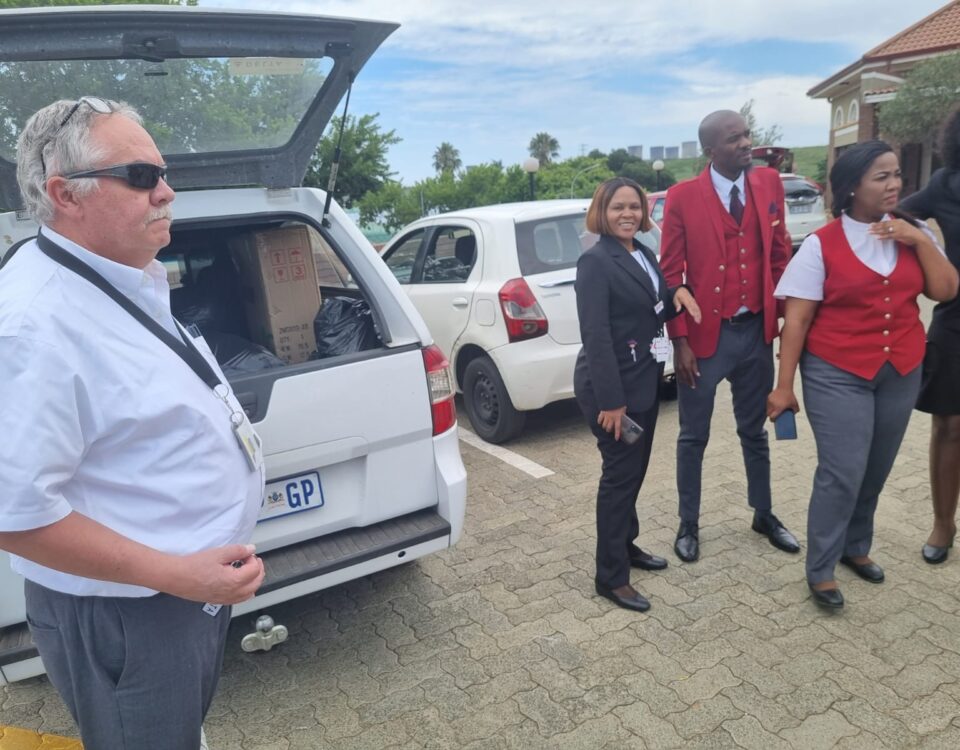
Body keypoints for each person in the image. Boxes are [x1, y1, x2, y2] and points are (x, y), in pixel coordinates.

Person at [0, 97, 266, 748]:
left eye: (164, 172)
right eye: (142, 177)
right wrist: (179, 576)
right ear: (66, 194)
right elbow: (13, 516)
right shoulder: (32, 326)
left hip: (172, 596)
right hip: (129, 609)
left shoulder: (118, 275)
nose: (167, 192)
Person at [767, 140, 958, 609]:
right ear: (852, 187)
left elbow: (946, 289)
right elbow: (797, 320)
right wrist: (784, 386)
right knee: (842, 471)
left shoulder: (913, 231)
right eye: (881, 177)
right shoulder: (821, 244)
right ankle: (821, 568)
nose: (894, 184)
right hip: (837, 371)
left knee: (875, 468)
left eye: (896, 175)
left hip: (901, 368)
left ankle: (856, 547)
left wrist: (916, 239)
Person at [658, 109, 800, 563]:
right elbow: (671, 274)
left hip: (754, 333)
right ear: (710, 150)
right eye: (734, 138)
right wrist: (679, 340)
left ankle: (763, 513)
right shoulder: (682, 197)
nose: (745, 143)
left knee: (754, 431)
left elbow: (779, 256)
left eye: (747, 135)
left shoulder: (768, 184)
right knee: (692, 436)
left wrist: (781, 321)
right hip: (703, 340)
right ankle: (688, 523)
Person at [574, 177, 701, 612]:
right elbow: (595, 335)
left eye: (633, 207)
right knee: (619, 478)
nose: (627, 214)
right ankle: (610, 577)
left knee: (633, 473)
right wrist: (612, 402)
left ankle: (626, 546)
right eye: (617, 208)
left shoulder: (642, 253)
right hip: (611, 392)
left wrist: (677, 294)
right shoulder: (595, 262)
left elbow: (652, 306)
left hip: (642, 384)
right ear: (602, 213)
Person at [900, 107, 960, 565]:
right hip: (956, 317)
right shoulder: (945, 184)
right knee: (951, 424)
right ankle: (944, 522)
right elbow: (892, 214)